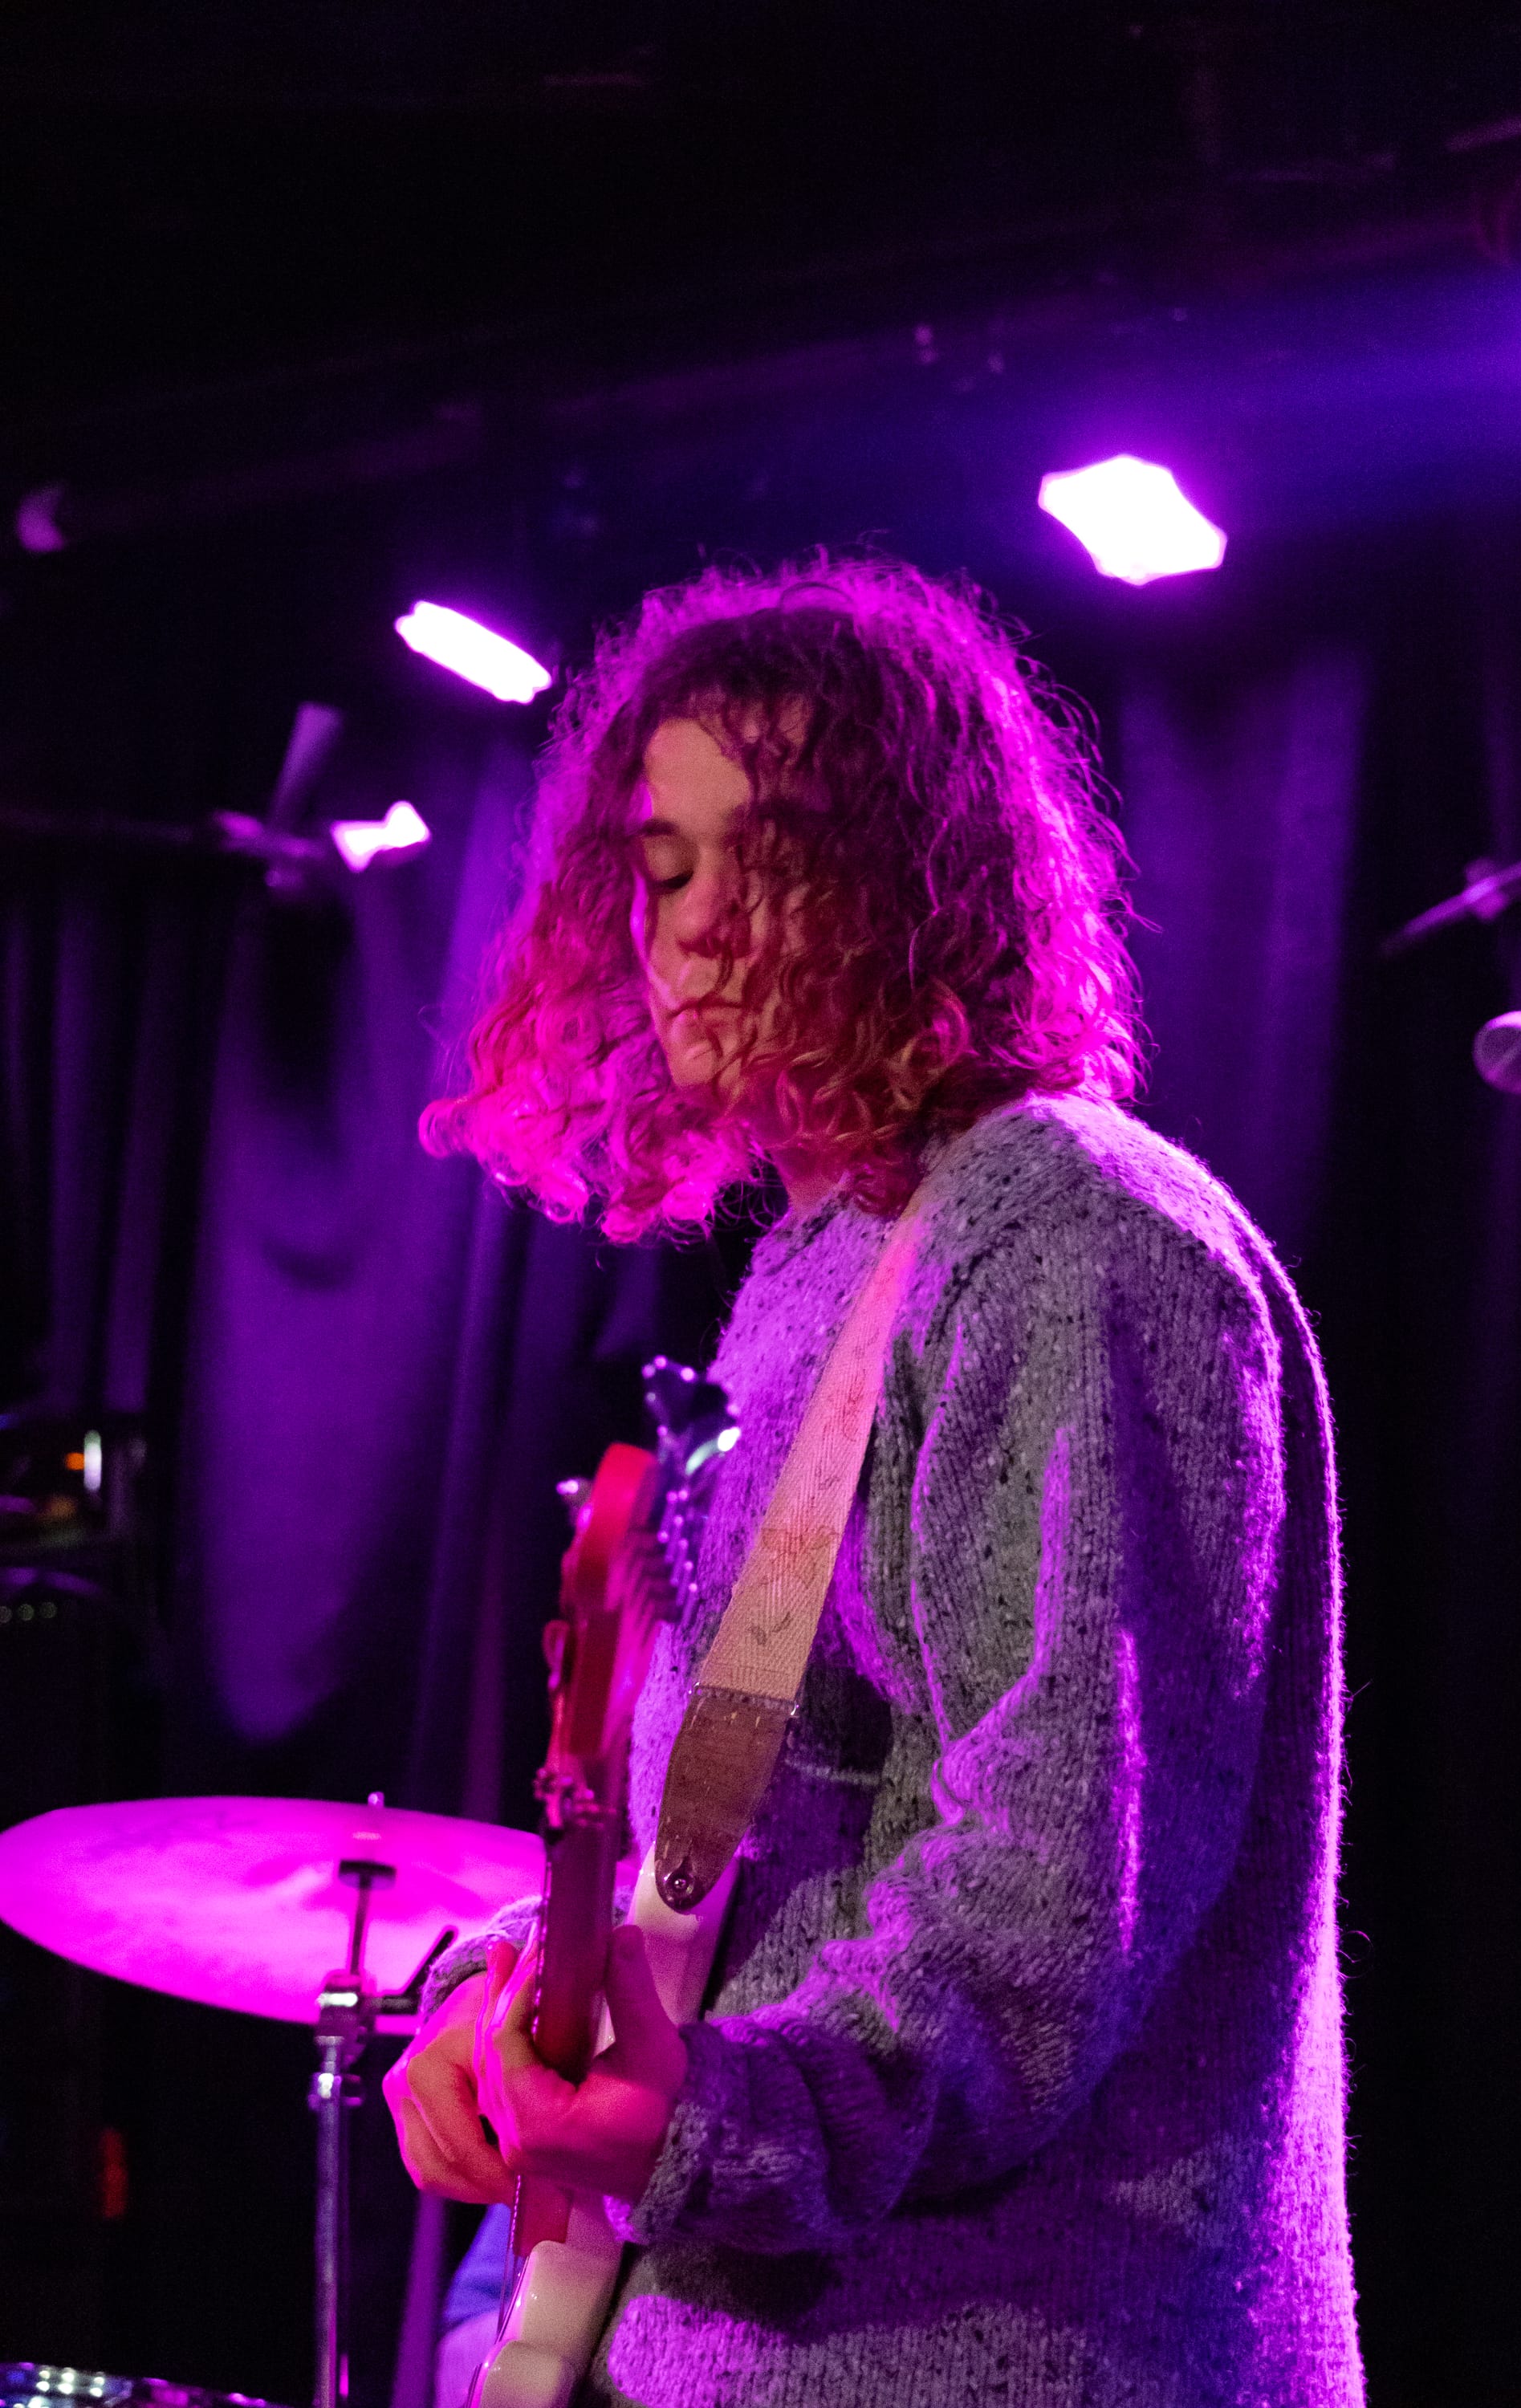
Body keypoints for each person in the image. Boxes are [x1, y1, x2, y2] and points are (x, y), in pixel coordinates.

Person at [384, 557, 1364, 2406]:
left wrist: (706, 2118)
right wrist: (527, 2007)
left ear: (904, 880)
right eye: (654, 869)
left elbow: (1050, 1896)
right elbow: (766, 1866)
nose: (682, 927)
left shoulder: (1072, 1233)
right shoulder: (824, 1260)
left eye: (747, 860)